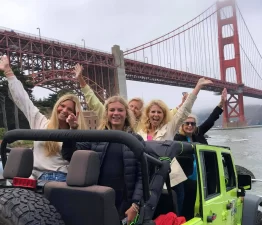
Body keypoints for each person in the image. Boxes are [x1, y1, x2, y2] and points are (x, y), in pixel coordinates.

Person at [0, 55, 87, 181]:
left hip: (58, 177)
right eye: (62, 106)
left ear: (75, 113)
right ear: (57, 106)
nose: (64, 110)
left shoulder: (79, 135)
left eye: (70, 109)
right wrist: (8, 71)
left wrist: (73, 130)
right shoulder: (41, 122)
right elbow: (24, 101)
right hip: (33, 176)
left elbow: (73, 157)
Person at [61, 95, 143, 224]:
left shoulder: (135, 140)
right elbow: (70, 154)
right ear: (106, 114)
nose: (116, 113)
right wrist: (73, 130)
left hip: (124, 201)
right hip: (99, 196)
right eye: (112, 110)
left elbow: (142, 175)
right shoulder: (97, 136)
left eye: (120, 110)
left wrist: (135, 204)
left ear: (126, 114)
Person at [137, 77, 213, 215]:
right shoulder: (140, 132)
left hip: (171, 180)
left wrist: (197, 87)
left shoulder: (169, 128)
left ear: (164, 114)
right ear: (148, 113)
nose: (156, 115)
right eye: (153, 111)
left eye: (159, 112)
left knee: (174, 213)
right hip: (147, 180)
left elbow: (184, 111)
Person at [174, 88, 227, 219]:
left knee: (203, 209)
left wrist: (221, 103)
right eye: (187, 123)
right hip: (185, 181)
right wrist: (182, 105)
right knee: (187, 208)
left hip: (203, 179)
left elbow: (211, 120)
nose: (190, 126)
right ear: (181, 124)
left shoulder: (198, 134)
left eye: (193, 123)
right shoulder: (176, 138)